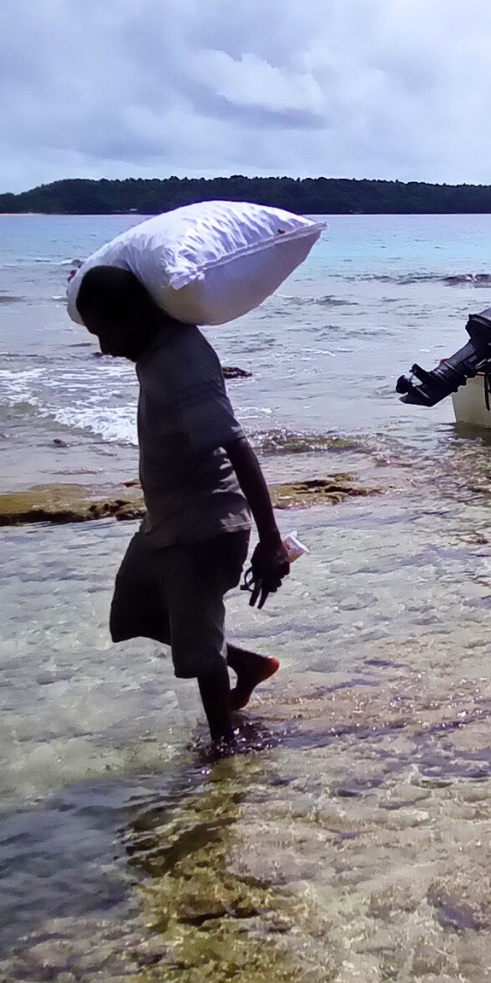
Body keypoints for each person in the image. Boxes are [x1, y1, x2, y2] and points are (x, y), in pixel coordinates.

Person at [75, 264, 290, 756]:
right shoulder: (151, 349)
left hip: (204, 524)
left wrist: (271, 542)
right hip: (165, 521)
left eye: (105, 331)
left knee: (197, 645)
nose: (104, 347)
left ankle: (224, 749)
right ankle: (247, 665)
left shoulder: (179, 359)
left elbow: (238, 446)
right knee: (134, 613)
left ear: (131, 313)